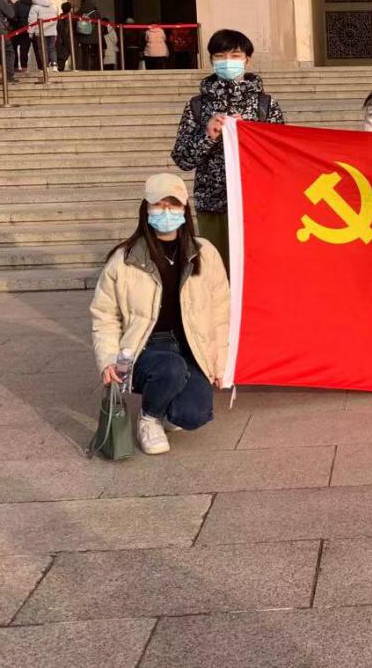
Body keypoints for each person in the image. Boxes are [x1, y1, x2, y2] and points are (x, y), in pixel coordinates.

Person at [90, 173, 230, 456]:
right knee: (170, 368)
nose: (166, 212)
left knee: (194, 414)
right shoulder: (124, 258)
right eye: (159, 205)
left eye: (173, 205)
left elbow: (220, 310)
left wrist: (220, 362)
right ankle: (149, 417)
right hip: (145, 348)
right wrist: (108, 360)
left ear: (184, 210)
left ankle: (166, 403)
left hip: (191, 345)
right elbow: (104, 314)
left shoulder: (205, 253)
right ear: (146, 209)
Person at [171, 29, 285, 270]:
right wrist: (208, 135)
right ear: (211, 60)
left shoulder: (265, 105)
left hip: (256, 203)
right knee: (217, 269)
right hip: (213, 203)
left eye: (235, 56)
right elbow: (183, 158)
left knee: (256, 269)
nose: (227, 62)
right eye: (220, 56)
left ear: (247, 60)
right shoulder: (197, 106)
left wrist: (250, 134)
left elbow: (279, 155)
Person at [27, 0, 60, 71]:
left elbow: (32, 21)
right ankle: (54, 65)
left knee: (42, 49)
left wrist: (30, 32)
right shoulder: (52, 5)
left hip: (40, 31)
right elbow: (56, 18)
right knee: (52, 48)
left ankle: (46, 66)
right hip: (52, 31)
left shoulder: (35, 7)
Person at [13, 0, 34, 71]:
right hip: (29, 28)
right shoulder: (33, 4)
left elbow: (14, 16)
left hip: (18, 28)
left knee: (15, 48)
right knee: (24, 49)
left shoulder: (17, 3)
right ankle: (24, 67)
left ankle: (15, 66)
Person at [56, 1, 74, 72]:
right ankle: (60, 68)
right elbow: (66, 31)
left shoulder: (60, 17)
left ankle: (60, 68)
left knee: (61, 54)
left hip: (60, 39)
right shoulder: (69, 18)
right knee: (63, 54)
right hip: (65, 39)